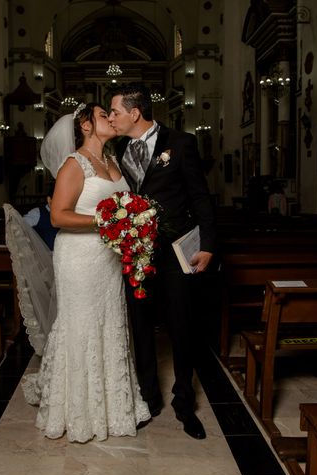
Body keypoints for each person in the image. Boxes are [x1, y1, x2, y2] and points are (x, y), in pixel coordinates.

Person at [21, 102, 150, 442]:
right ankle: (77, 408)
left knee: (110, 322)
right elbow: (58, 216)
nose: (110, 117)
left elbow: (123, 203)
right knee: (81, 325)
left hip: (108, 258)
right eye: (102, 114)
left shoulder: (112, 161)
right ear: (86, 125)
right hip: (78, 256)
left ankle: (113, 406)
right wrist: (106, 222)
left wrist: (132, 222)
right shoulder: (73, 164)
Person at [108, 83, 216, 440]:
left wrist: (209, 245)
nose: (112, 118)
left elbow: (201, 197)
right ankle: (148, 399)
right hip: (135, 252)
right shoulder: (118, 148)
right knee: (140, 326)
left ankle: (185, 401)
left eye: (116, 112)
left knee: (181, 325)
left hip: (174, 250)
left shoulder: (181, 143)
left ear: (134, 113)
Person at [22, 184, 59, 250]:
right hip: (43, 257)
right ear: (49, 199)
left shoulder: (67, 215)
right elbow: (19, 228)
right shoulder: (37, 213)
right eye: (59, 199)